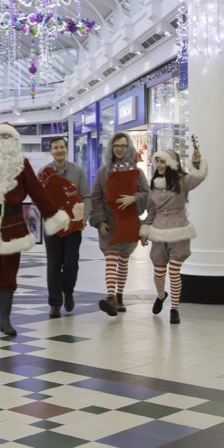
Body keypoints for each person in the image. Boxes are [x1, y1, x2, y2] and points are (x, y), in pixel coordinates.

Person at [0, 123, 70, 336]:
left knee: (8, 272)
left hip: (11, 224)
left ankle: (5, 319)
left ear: (15, 141)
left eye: (7, 137)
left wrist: (53, 215)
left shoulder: (22, 164)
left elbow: (37, 192)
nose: (3, 142)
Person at [140, 145, 207, 324]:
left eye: (163, 161)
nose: (159, 165)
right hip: (159, 231)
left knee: (174, 272)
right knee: (158, 273)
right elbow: (151, 211)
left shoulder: (182, 181)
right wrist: (144, 231)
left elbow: (198, 177)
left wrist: (196, 162)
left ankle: (174, 309)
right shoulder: (153, 185)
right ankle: (161, 295)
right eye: (157, 161)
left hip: (179, 230)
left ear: (171, 163)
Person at [90, 131, 149, 317]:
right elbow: (96, 197)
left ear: (129, 147)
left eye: (123, 146)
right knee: (110, 259)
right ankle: (110, 298)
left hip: (129, 223)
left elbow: (147, 193)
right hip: (109, 223)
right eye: (116, 146)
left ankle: (119, 296)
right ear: (111, 148)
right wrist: (100, 220)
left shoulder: (137, 172)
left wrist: (134, 198)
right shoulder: (103, 172)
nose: (120, 149)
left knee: (123, 262)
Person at [40, 136, 91, 318]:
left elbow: (86, 196)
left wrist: (84, 217)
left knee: (70, 263)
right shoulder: (44, 173)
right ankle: (55, 303)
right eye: (55, 147)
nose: (59, 150)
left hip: (73, 226)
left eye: (62, 147)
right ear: (50, 151)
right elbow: (39, 199)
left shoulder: (77, 171)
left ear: (66, 149)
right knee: (54, 264)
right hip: (52, 226)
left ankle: (68, 292)